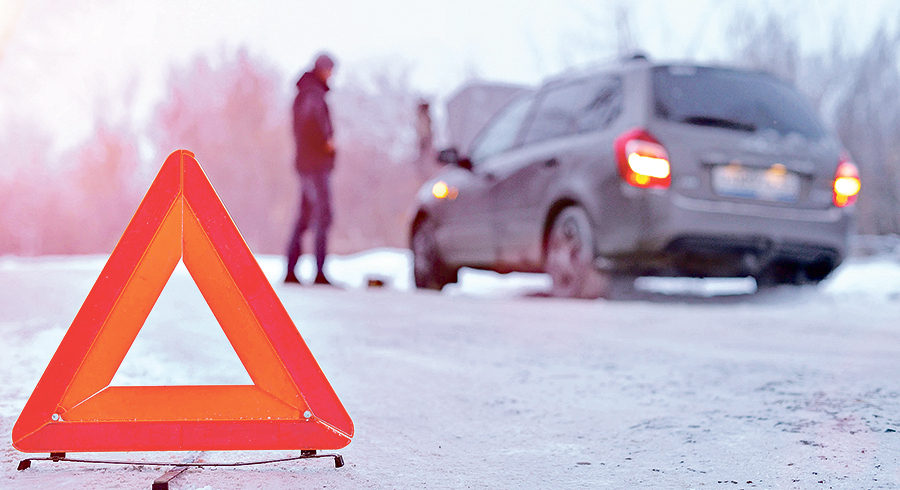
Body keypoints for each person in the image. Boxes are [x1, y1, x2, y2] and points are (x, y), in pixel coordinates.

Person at [285, 53, 337, 285]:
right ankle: (319, 272)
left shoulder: (306, 92)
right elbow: (312, 121)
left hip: (307, 163)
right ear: (322, 70)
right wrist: (326, 141)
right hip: (315, 165)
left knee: (305, 216)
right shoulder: (312, 95)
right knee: (322, 215)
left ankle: (291, 269)